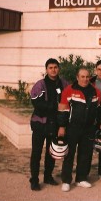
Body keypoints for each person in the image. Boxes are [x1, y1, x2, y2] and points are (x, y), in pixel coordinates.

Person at [57, 67, 101, 192]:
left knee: (85, 154)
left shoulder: (95, 92)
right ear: (77, 77)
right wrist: (62, 126)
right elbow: (63, 109)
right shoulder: (69, 90)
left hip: (89, 128)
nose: (85, 79)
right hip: (72, 127)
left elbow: (99, 111)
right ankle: (66, 181)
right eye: (82, 76)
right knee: (69, 154)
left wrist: (99, 126)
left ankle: (81, 178)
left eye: (87, 76)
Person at [29, 58, 69, 191]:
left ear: (59, 69)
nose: (53, 70)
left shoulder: (64, 84)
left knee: (51, 152)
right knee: (36, 152)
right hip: (40, 123)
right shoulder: (40, 85)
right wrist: (55, 106)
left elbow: (68, 102)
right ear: (46, 69)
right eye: (50, 67)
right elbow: (37, 104)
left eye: (55, 67)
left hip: (55, 124)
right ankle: (34, 179)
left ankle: (48, 176)